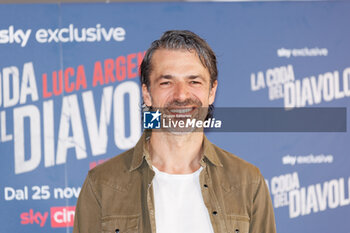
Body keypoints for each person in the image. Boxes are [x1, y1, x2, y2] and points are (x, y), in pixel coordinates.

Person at [73, 30, 276, 233]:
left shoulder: (248, 182)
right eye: (166, 82)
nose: (181, 95)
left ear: (212, 92)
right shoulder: (102, 184)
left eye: (194, 81)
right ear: (147, 94)